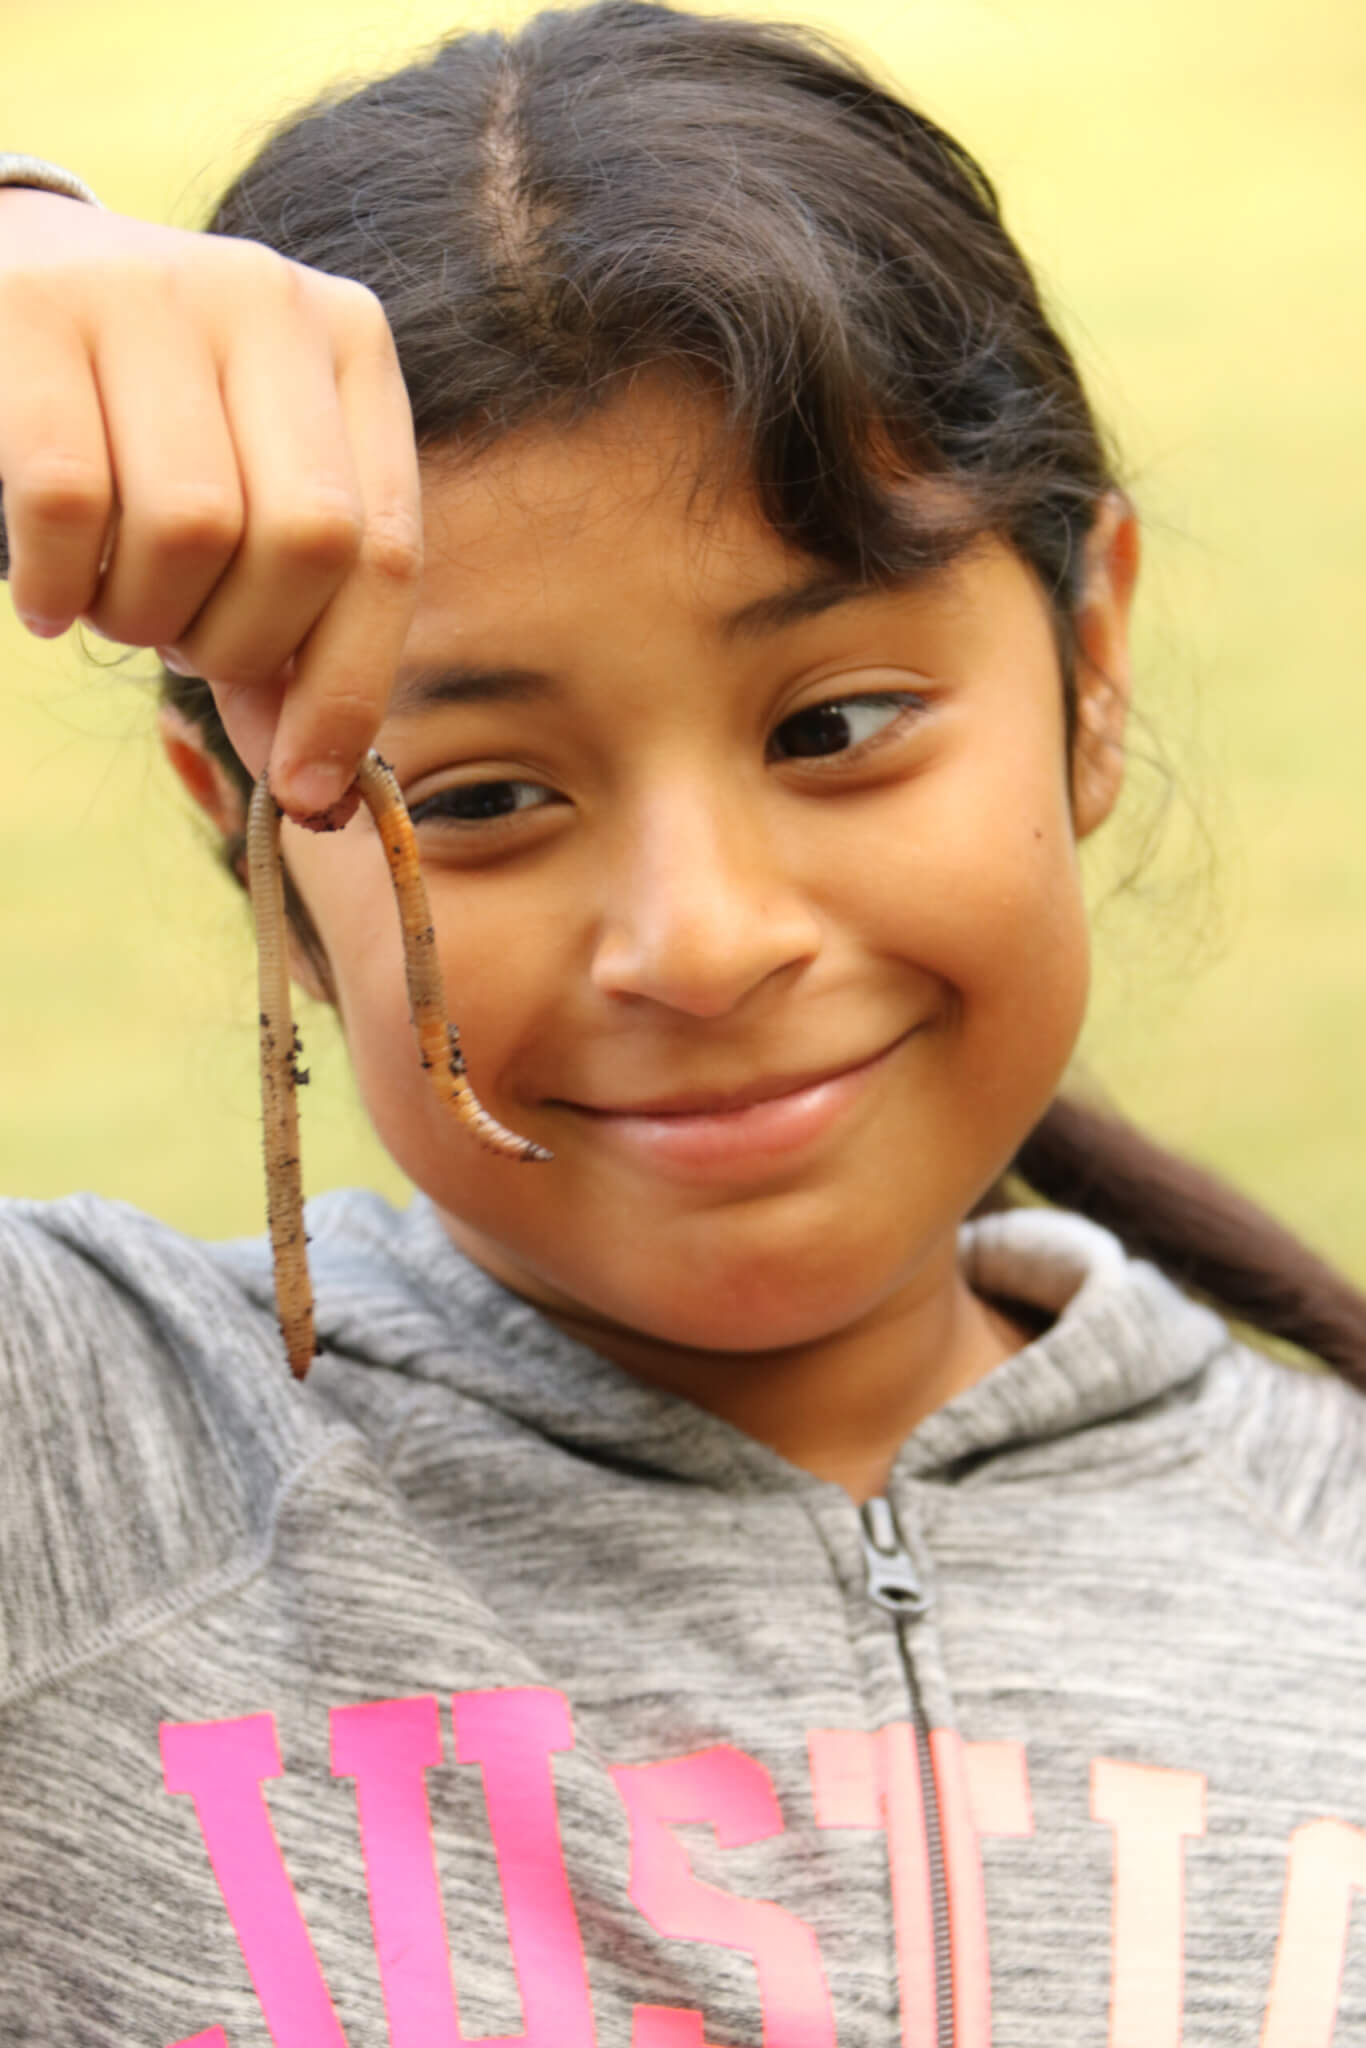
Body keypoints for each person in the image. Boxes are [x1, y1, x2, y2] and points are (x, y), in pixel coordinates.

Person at [1, 4, 1364, 2040]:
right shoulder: (76, 1478)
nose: (699, 941)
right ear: (264, 852)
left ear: (1087, 672)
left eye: (830, 726)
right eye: (471, 797)